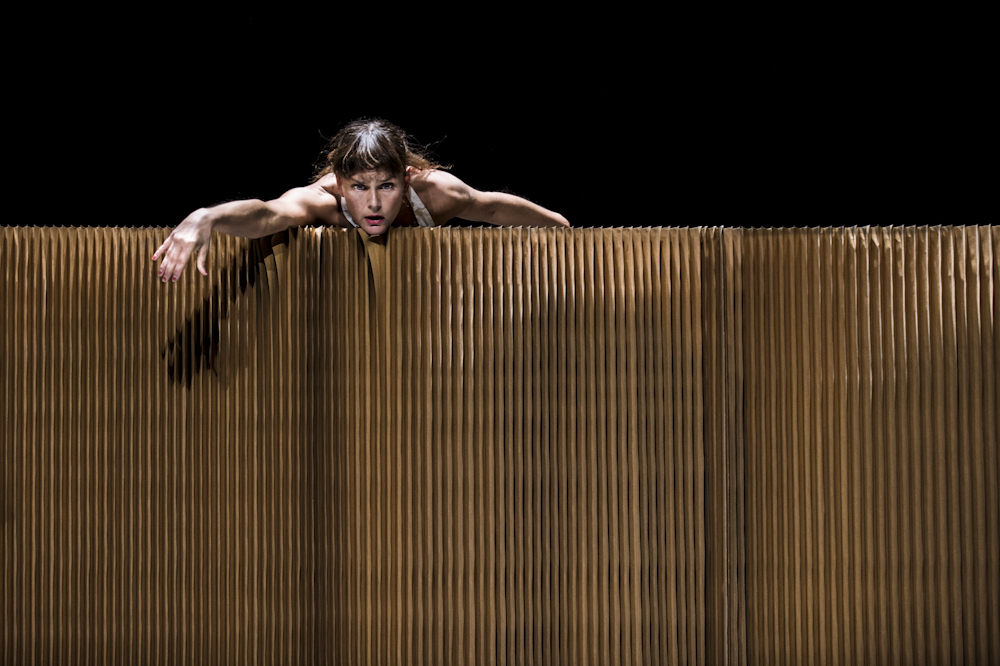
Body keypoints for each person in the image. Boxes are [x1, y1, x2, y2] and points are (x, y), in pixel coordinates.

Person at [152, 118, 571, 282]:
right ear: (340, 182)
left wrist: (562, 230)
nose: (373, 204)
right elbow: (268, 214)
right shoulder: (322, 201)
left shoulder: (438, 193)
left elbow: (492, 206)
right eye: (359, 188)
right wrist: (207, 216)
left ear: (406, 179)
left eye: (386, 187)